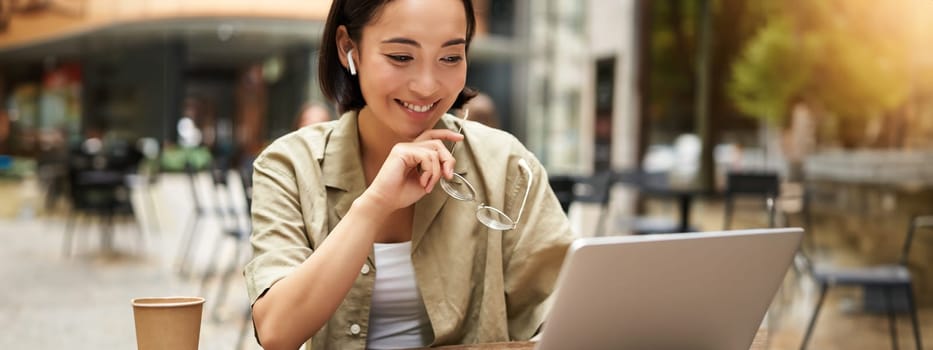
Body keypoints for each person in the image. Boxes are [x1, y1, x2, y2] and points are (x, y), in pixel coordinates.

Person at [244, 1, 574, 349]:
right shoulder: (290, 165)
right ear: (347, 47)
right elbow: (277, 332)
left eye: (450, 57)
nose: (427, 86)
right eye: (401, 57)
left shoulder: (506, 164)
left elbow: (569, 308)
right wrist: (374, 206)